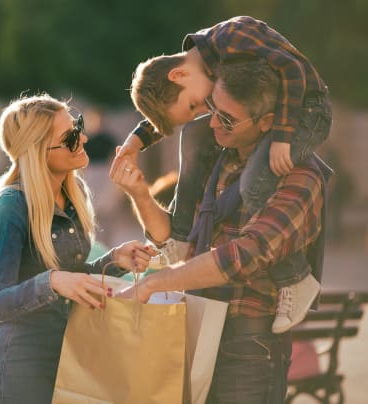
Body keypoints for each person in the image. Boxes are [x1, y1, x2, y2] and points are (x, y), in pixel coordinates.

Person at [112, 59, 329, 403]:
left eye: (227, 118)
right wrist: (139, 194)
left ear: (268, 122)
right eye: (213, 108)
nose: (211, 121)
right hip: (194, 329)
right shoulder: (217, 160)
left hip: (247, 349)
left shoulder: (300, 176)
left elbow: (244, 256)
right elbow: (176, 242)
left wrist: (155, 283)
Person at [113, 15, 332, 333]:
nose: (204, 113)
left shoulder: (232, 38)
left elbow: (294, 70)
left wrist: (283, 136)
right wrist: (134, 142)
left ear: (179, 73)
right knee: (192, 134)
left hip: (307, 110)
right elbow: (172, 107)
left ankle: (296, 278)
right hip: (278, 112)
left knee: (256, 183)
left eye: (195, 106)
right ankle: (181, 236)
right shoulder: (199, 69)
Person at [0, 94, 154, 404]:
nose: (83, 137)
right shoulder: (12, 206)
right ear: (38, 151)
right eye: (71, 137)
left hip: (69, 354)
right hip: (20, 365)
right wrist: (51, 281)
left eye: (78, 127)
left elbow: (73, 279)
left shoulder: (72, 196)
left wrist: (114, 260)